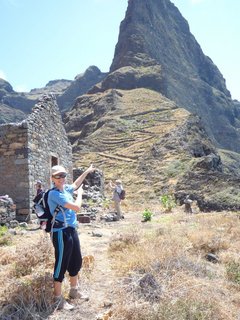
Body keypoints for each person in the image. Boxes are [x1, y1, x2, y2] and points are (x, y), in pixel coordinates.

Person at [48, 163, 95, 310]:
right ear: (52, 178)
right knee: (61, 263)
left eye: (63, 175)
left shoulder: (66, 189)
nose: (61, 178)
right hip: (60, 232)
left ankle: (74, 291)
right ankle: (57, 299)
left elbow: (75, 184)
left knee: (75, 260)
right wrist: (80, 194)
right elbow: (76, 207)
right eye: (58, 176)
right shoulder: (54, 194)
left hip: (71, 229)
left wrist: (86, 171)